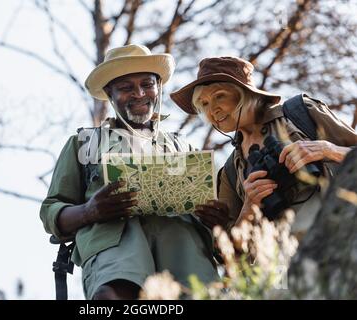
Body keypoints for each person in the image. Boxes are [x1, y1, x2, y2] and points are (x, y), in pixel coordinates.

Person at [40, 44, 224, 300]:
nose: (139, 93)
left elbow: (225, 218)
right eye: (126, 87)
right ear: (110, 93)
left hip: (185, 255)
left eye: (147, 84)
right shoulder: (83, 144)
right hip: (115, 251)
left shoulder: (185, 148)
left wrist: (217, 220)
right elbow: (51, 212)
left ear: (158, 87)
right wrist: (89, 211)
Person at [170, 56, 357, 238]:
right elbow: (229, 250)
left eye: (219, 96)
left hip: (341, 235)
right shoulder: (230, 171)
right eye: (204, 103)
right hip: (287, 260)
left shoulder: (299, 113)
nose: (212, 110)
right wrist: (249, 207)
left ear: (244, 93)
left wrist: (327, 149)